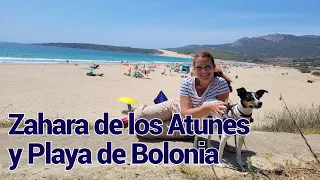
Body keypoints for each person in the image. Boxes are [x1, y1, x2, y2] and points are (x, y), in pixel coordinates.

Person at [132, 50, 234, 151]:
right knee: (139, 116)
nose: (203, 71)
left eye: (207, 67)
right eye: (199, 68)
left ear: (214, 67)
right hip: (175, 106)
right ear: (194, 69)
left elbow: (220, 116)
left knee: (141, 129)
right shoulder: (187, 82)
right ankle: (133, 115)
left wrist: (224, 144)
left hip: (186, 124)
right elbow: (186, 112)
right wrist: (207, 108)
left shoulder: (221, 85)